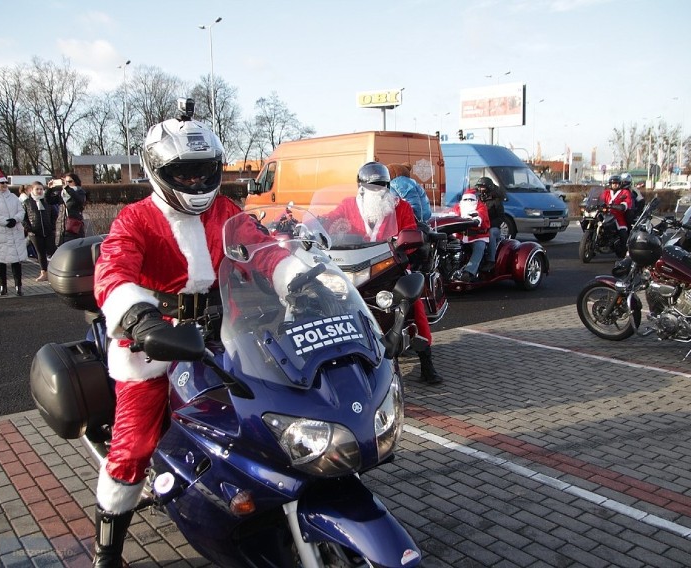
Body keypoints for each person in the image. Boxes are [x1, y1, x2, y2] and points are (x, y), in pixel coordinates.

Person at [90, 115, 306, 566]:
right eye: (183, 173)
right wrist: (137, 316)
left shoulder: (224, 211)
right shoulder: (136, 219)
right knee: (134, 446)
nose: (195, 180)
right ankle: (107, 550)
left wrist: (296, 278)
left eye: (204, 171)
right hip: (154, 342)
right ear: (158, 170)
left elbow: (261, 248)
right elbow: (113, 270)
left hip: (226, 330)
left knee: (267, 409)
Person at [324, 161, 443, 386]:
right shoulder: (348, 205)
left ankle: (426, 360)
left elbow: (410, 233)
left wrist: (405, 243)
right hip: (352, 266)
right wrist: (306, 224)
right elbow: (328, 222)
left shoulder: (400, 206)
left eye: (382, 185)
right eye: (372, 186)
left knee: (412, 301)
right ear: (360, 187)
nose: (377, 190)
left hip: (390, 266)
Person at [0, 168, 29, 295]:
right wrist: (5, 221)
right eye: (1, 183)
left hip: (14, 232)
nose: (3, 186)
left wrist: (15, 219)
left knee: (16, 261)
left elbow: (21, 211)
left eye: (5, 183)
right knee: (1, 261)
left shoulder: (13, 197)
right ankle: (3, 286)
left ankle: (18, 286)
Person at [451, 186, 491, 281]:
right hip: (460, 236)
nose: (468, 201)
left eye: (470, 199)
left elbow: (481, 215)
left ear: (474, 199)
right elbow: (451, 214)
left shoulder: (481, 206)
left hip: (477, 236)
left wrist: (477, 218)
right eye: (466, 199)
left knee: (479, 247)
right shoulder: (458, 206)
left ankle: (469, 272)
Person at [22, 181, 58, 282]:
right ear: (32, 190)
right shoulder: (27, 202)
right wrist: (29, 229)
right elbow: (23, 218)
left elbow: (54, 214)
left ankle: (56, 271)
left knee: (52, 251)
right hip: (35, 233)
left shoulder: (47, 200)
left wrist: (52, 227)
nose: (39, 191)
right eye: (37, 189)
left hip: (48, 231)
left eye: (41, 189)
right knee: (40, 253)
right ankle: (44, 273)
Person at [474, 176, 504, 270]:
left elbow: (501, 218)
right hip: (479, 224)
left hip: (493, 227)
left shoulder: (496, 200)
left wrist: (489, 225)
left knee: (490, 234)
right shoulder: (477, 199)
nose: (480, 189)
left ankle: (491, 261)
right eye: (479, 187)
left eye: (483, 187)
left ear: (489, 188)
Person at [604, 174, 634, 256]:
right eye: (613, 183)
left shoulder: (625, 192)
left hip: (618, 215)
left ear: (620, 184)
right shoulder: (606, 192)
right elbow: (600, 199)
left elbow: (627, 202)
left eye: (616, 183)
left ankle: (625, 250)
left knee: (623, 231)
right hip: (604, 214)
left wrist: (622, 206)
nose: (614, 185)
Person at [57, 172, 86, 245]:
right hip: (63, 225)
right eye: (66, 182)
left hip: (74, 225)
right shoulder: (62, 194)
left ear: (75, 182)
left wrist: (68, 189)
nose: (67, 183)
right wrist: (49, 189)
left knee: (75, 246)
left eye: (70, 181)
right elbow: (50, 201)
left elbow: (80, 201)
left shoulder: (79, 191)